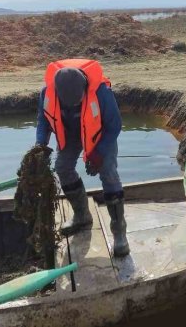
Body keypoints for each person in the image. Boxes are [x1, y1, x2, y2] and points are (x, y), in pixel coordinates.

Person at [35, 59, 130, 257]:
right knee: (62, 167)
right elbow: (43, 121)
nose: (74, 105)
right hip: (71, 134)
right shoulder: (47, 93)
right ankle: (81, 215)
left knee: (109, 173)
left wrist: (99, 152)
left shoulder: (102, 92)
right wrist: (40, 146)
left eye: (77, 101)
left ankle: (119, 233)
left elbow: (115, 125)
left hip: (100, 134)